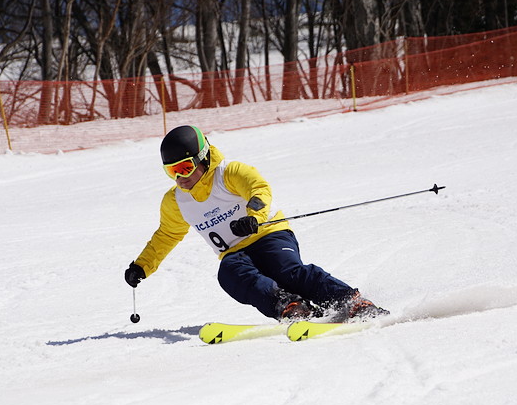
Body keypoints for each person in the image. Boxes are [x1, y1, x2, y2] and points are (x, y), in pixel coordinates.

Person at [124, 125, 388, 321]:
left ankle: (352, 302)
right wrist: (142, 266)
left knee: (285, 270)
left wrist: (253, 218)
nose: (179, 178)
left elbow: (259, 190)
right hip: (235, 252)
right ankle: (290, 307)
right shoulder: (175, 201)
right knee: (229, 273)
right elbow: (167, 235)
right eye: (171, 171)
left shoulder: (230, 172)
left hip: (269, 235)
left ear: (202, 157)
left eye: (184, 168)